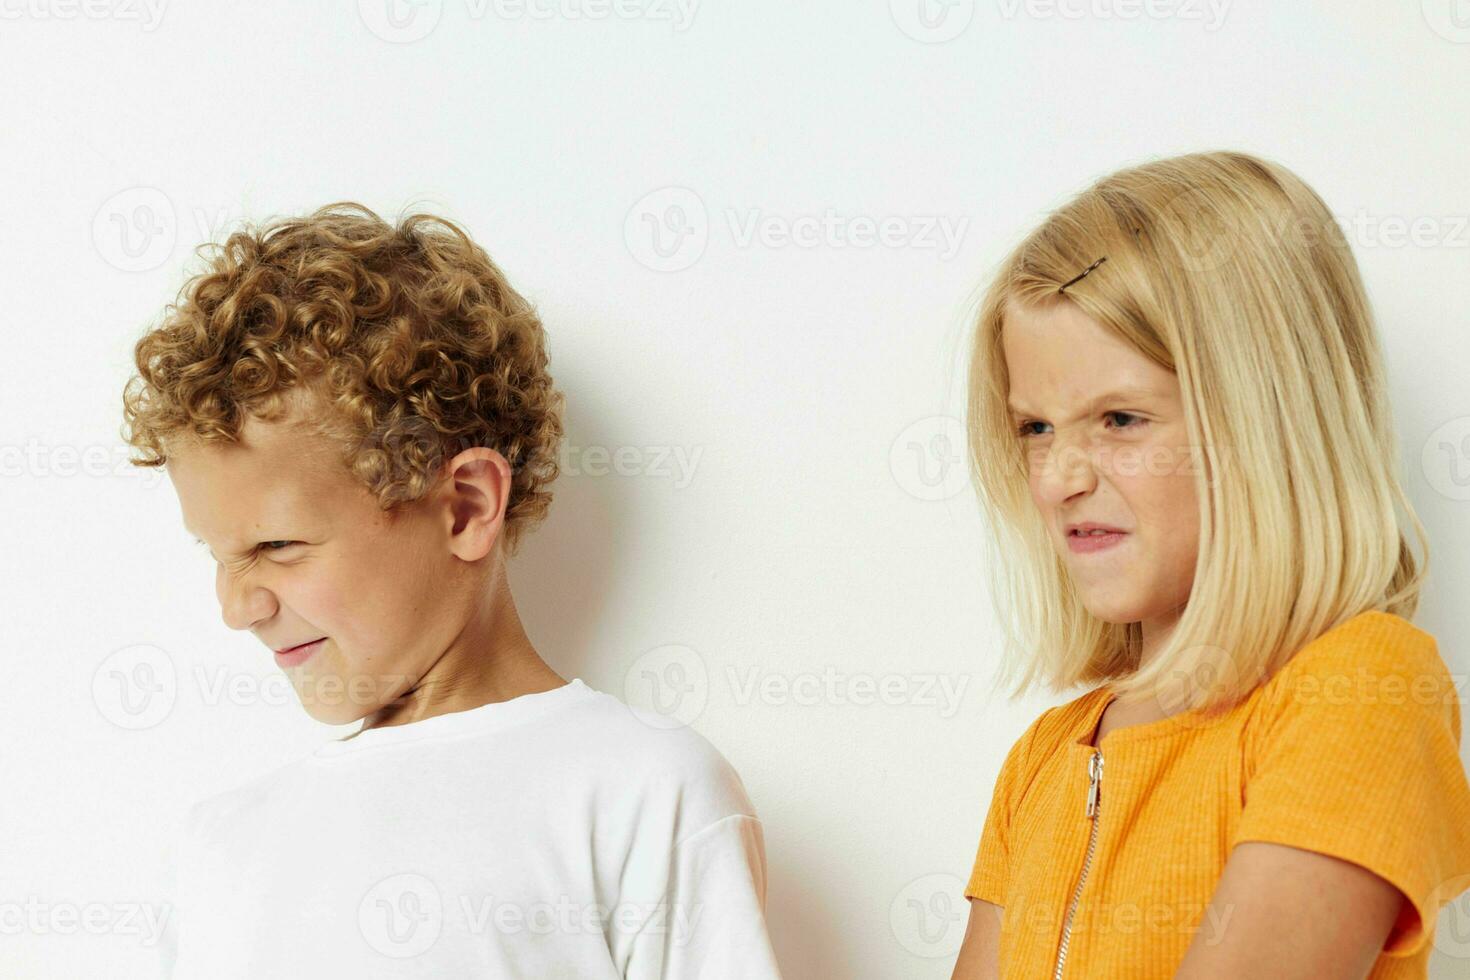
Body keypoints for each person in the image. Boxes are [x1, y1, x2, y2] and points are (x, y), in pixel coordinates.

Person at [122, 203, 782, 979]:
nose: (238, 608)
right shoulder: (218, 846)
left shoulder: (642, 793)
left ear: (466, 506)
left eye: (278, 547)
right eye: (219, 555)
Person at [948, 151, 1470, 978]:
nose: (1056, 480)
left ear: (1269, 425)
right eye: (1034, 429)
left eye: (1119, 419)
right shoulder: (1043, 761)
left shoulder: (1360, 689)